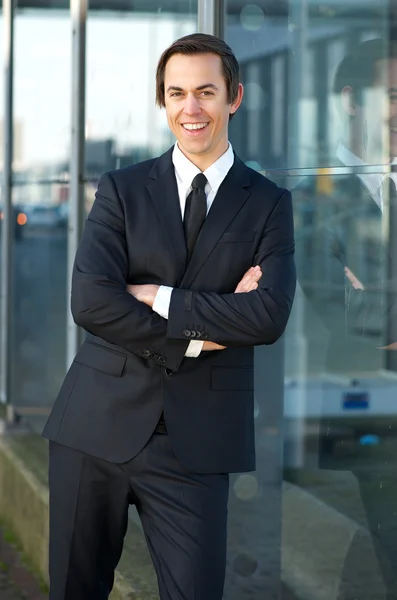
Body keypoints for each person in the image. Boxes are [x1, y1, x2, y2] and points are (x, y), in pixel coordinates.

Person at [42, 33, 296, 600]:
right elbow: (91, 302)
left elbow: (268, 315)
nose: (191, 108)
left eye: (206, 91)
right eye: (177, 93)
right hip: (94, 428)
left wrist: (159, 297)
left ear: (235, 97)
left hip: (199, 443)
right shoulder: (121, 190)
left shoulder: (270, 204)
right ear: (164, 102)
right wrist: (199, 336)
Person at [293, 38, 397, 597]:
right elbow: (348, 321)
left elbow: (373, 309)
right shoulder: (311, 201)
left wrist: (375, 298)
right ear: (353, 98)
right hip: (374, 417)